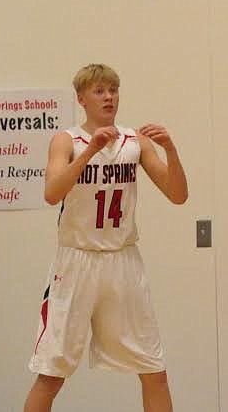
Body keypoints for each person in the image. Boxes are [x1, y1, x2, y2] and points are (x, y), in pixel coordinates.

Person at [23, 64, 189, 412]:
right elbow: (52, 193)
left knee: (153, 370)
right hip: (75, 262)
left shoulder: (135, 141)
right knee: (51, 374)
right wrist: (88, 153)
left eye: (113, 89)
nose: (109, 96)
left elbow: (178, 194)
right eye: (99, 91)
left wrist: (171, 149)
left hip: (123, 261)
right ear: (81, 99)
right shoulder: (66, 140)